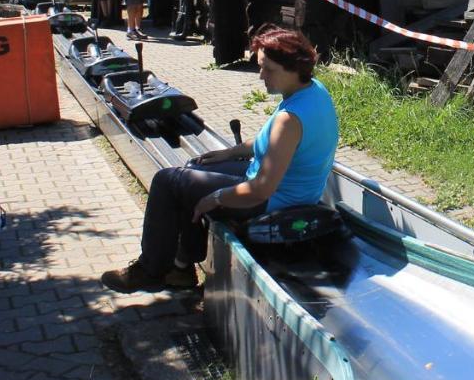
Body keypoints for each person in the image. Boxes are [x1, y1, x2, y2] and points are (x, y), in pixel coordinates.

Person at [102, 27, 338, 293]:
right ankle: (181, 267)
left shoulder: (290, 118)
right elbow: (271, 142)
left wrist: (215, 198)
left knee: (167, 181)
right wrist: (229, 153)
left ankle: (150, 270)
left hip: (274, 201)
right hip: (286, 189)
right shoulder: (312, 91)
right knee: (195, 167)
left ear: (293, 67)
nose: (261, 76)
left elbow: (261, 189)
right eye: (260, 67)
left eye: (268, 69)